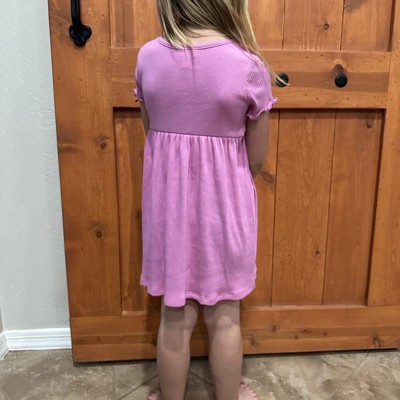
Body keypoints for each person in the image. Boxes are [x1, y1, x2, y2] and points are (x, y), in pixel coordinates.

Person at [133, 1, 279, 399]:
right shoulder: (248, 66)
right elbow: (255, 159)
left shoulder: (149, 58)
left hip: (168, 215)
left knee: (174, 319)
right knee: (225, 319)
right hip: (226, 215)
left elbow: (153, 135)